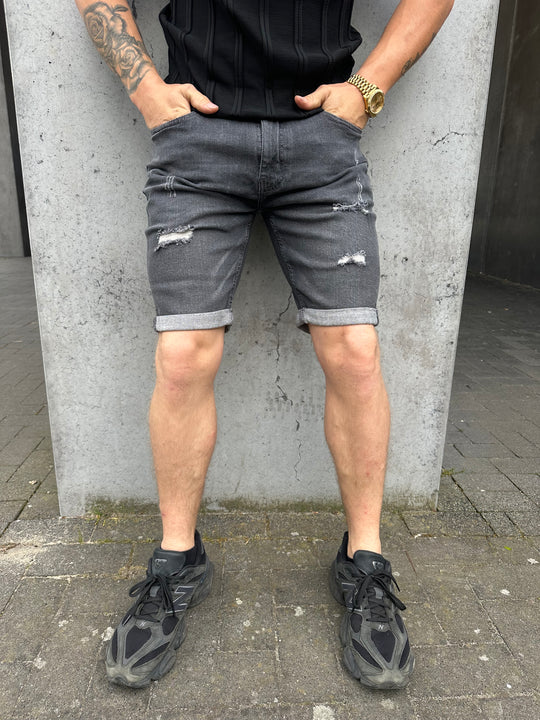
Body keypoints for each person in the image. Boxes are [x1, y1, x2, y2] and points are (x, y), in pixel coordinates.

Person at [75, 0, 453, 691]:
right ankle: (177, 560)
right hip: (198, 142)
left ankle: (364, 561)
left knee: (355, 351)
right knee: (183, 356)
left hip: (321, 143)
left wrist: (366, 90)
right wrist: (146, 88)